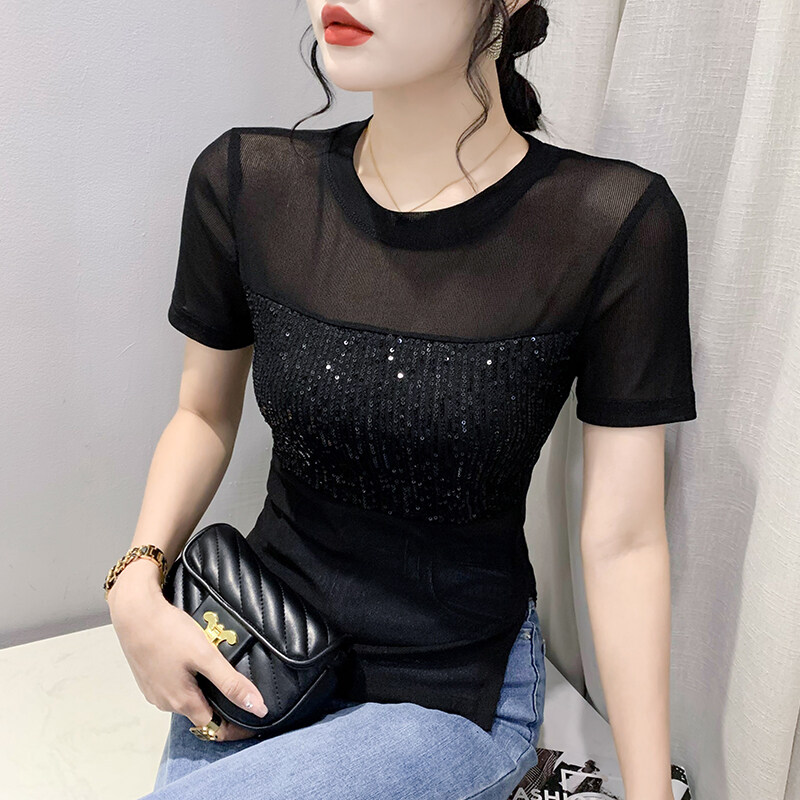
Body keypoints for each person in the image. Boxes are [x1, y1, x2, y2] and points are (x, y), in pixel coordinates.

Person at [106, 1, 698, 798]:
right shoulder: (248, 182)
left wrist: (651, 792)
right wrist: (136, 581)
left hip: (455, 691)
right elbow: (202, 415)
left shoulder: (609, 223)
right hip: (262, 649)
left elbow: (623, 540)